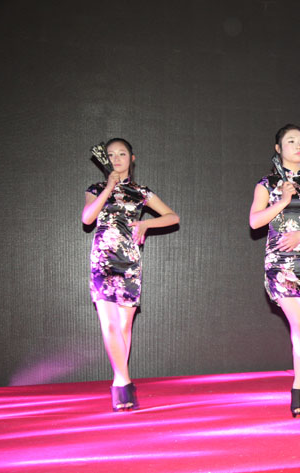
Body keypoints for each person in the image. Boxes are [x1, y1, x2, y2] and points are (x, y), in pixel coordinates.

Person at [82, 138, 179, 411]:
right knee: (110, 323)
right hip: (103, 260)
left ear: (131, 158)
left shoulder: (140, 192)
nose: (116, 158)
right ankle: (122, 383)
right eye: (111, 154)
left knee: (124, 326)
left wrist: (146, 224)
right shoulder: (95, 189)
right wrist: (108, 188)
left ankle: (120, 379)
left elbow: (173, 217)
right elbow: (87, 218)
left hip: (129, 261)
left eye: (122, 154)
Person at [249, 124, 300, 417]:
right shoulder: (267, 184)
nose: (298, 146)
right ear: (278, 148)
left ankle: (297, 387)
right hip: (280, 262)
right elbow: (255, 222)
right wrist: (283, 200)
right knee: (298, 325)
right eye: (291, 141)